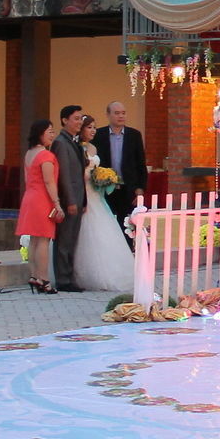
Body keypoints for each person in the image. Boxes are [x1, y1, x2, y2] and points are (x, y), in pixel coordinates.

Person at [70, 115, 135, 295]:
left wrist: (104, 177)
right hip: (84, 195)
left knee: (105, 230)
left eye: (94, 127)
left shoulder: (93, 147)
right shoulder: (76, 148)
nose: (92, 131)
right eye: (89, 127)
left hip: (96, 195)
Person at [15, 118, 65, 293]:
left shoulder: (29, 154)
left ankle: (34, 275)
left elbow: (28, 179)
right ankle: (43, 279)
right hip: (42, 199)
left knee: (34, 240)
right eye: (49, 131)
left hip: (30, 197)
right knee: (43, 239)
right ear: (40, 134)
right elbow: (49, 181)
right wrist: (57, 203)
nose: (52, 134)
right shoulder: (46, 155)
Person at [50, 104, 85, 291]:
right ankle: (63, 280)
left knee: (72, 239)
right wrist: (70, 200)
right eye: (76, 118)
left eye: (81, 119)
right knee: (64, 240)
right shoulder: (61, 142)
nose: (80, 122)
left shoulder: (73, 141)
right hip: (69, 198)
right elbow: (63, 175)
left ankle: (69, 277)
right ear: (64, 120)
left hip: (78, 197)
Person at [95, 101, 146, 229]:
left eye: (123, 113)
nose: (121, 116)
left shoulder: (134, 135)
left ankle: (128, 249)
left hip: (128, 188)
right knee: (107, 225)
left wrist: (140, 188)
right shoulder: (99, 135)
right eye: (117, 113)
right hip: (106, 188)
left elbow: (140, 163)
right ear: (108, 115)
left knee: (127, 224)